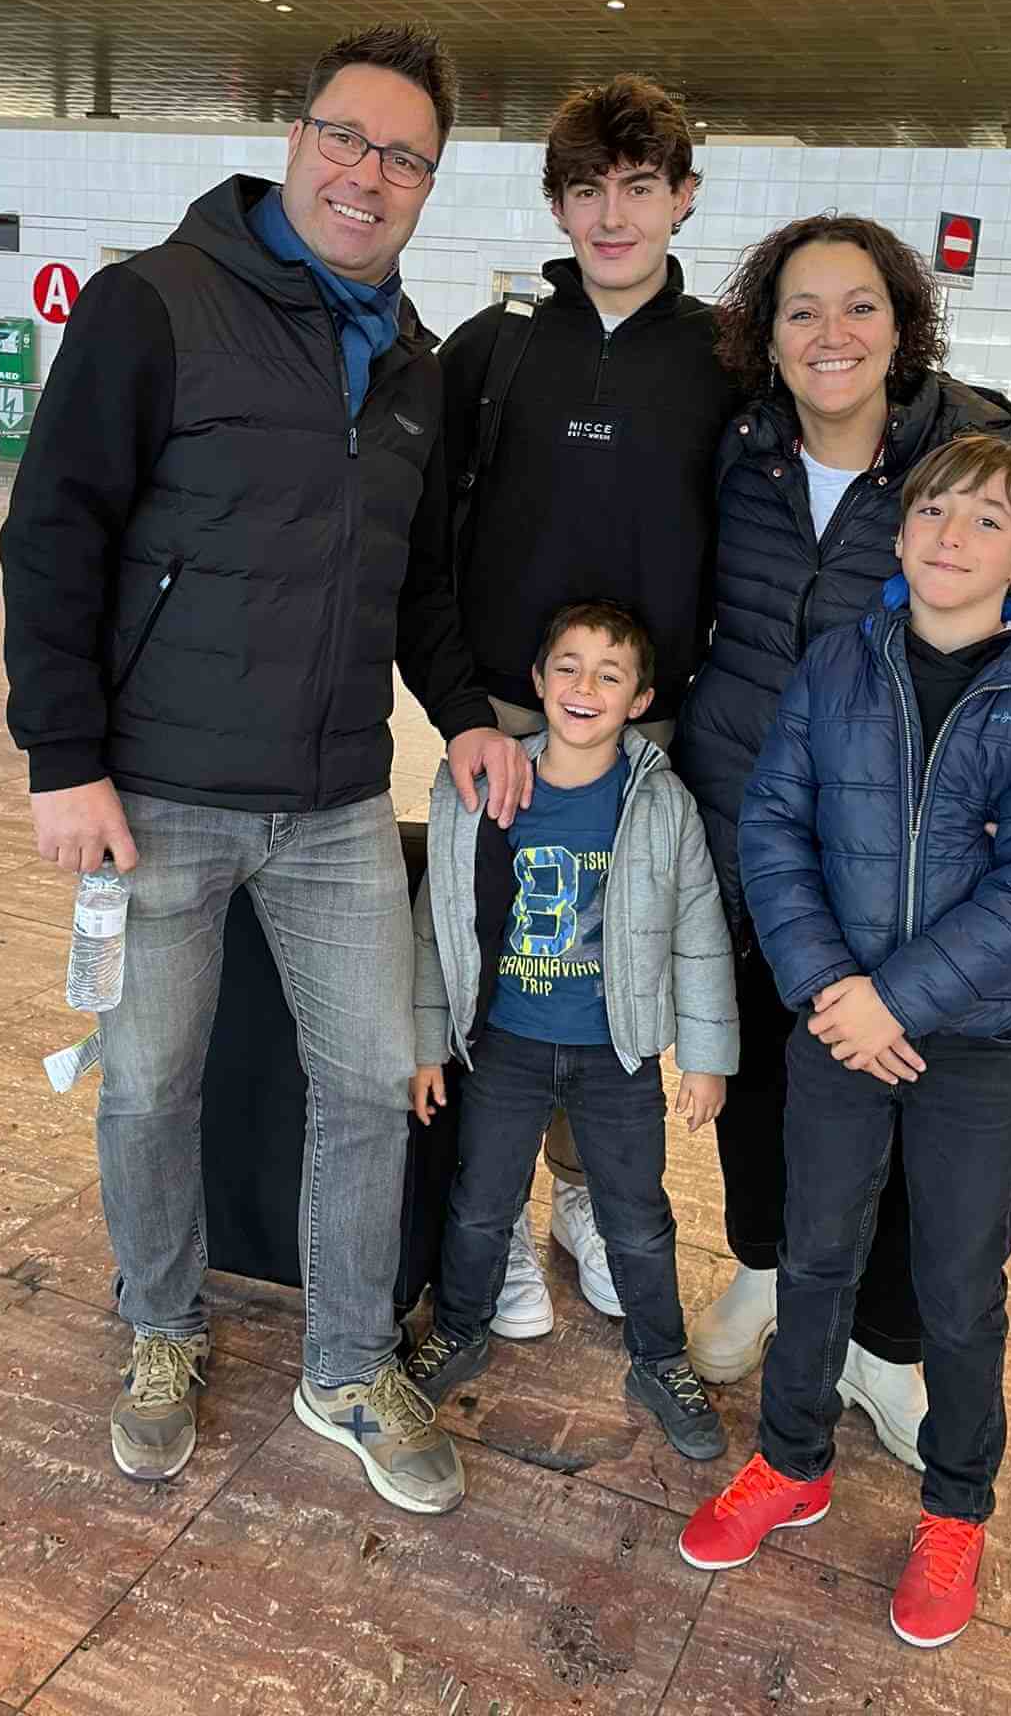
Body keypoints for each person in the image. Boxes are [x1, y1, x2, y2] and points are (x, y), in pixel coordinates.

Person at [0, 22, 528, 1514]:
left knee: (366, 1083)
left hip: (338, 801)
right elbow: (54, 532)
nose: (369, 172)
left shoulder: (412, 362)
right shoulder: (154, 304)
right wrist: (64, 758)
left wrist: (466, 708)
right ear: (294, 140)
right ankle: (162, 1328)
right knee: (148, 1086)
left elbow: (416, 581)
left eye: (404, 156)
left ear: (428, 183)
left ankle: (347, 1364)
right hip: (157, 794)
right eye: (347, 137)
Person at [679, 434, 1011, 1647]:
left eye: (987, 520)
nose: (951, 534)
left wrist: (899, 998)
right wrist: (830, 983)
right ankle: (792, 1461)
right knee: (814, 1253)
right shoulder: (840, 661)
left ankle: (956, 1506)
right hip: (837, 1022)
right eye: (934, 509)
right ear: (900, 530)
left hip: (972, 1041)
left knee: (958, 1284)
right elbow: (774, 824)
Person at [672, 212, 1011, 1466]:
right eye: (801, 308)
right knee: (766, 1075)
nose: (833, 332)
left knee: (915, 1103)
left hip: (921, 870)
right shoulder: (740, 454)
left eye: (860, 304)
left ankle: (884, 1341)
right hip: (756, 827)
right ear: (766, 334)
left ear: (903, 323)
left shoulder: (959, 465)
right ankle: (770, 1268)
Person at [438, 75, 740, 1338]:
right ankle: (496, 1217)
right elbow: (421, 542)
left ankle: (580, 1197)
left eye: (638, 187)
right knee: (492, 965)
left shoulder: (726, 361)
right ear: (556, 205)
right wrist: (458, 708)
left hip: (647, 738)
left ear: (683, 197)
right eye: (586, 190)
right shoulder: (493, 349)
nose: (612, 215)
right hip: (502, 727)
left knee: (610, 967)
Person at [401, 601, 739, 1462]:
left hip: (615, 1056)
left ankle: (660, 1360)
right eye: (568, 668)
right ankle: (460, 1327)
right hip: (505, 1046)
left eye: (610, 675)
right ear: (538, 681)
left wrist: (706, 1059)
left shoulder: (659, 805)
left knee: (639, 1218)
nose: (585, 687)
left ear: (640, 700)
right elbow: (439, 925)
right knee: (482, 1203)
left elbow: (699, 931)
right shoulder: (486, 792)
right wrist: (427, 1043)